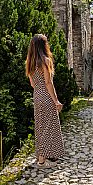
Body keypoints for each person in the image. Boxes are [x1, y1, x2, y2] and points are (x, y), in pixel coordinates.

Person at [26, 34, 64, 168]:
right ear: (44, 45)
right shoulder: (46, 61)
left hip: (37, 96)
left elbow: (32, 84)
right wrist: (56, 101)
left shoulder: (30, 63)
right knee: (48, 127)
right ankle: (42, 160)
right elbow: (48, 83)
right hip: (46, 96)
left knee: (40, 127)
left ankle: (42, 157)